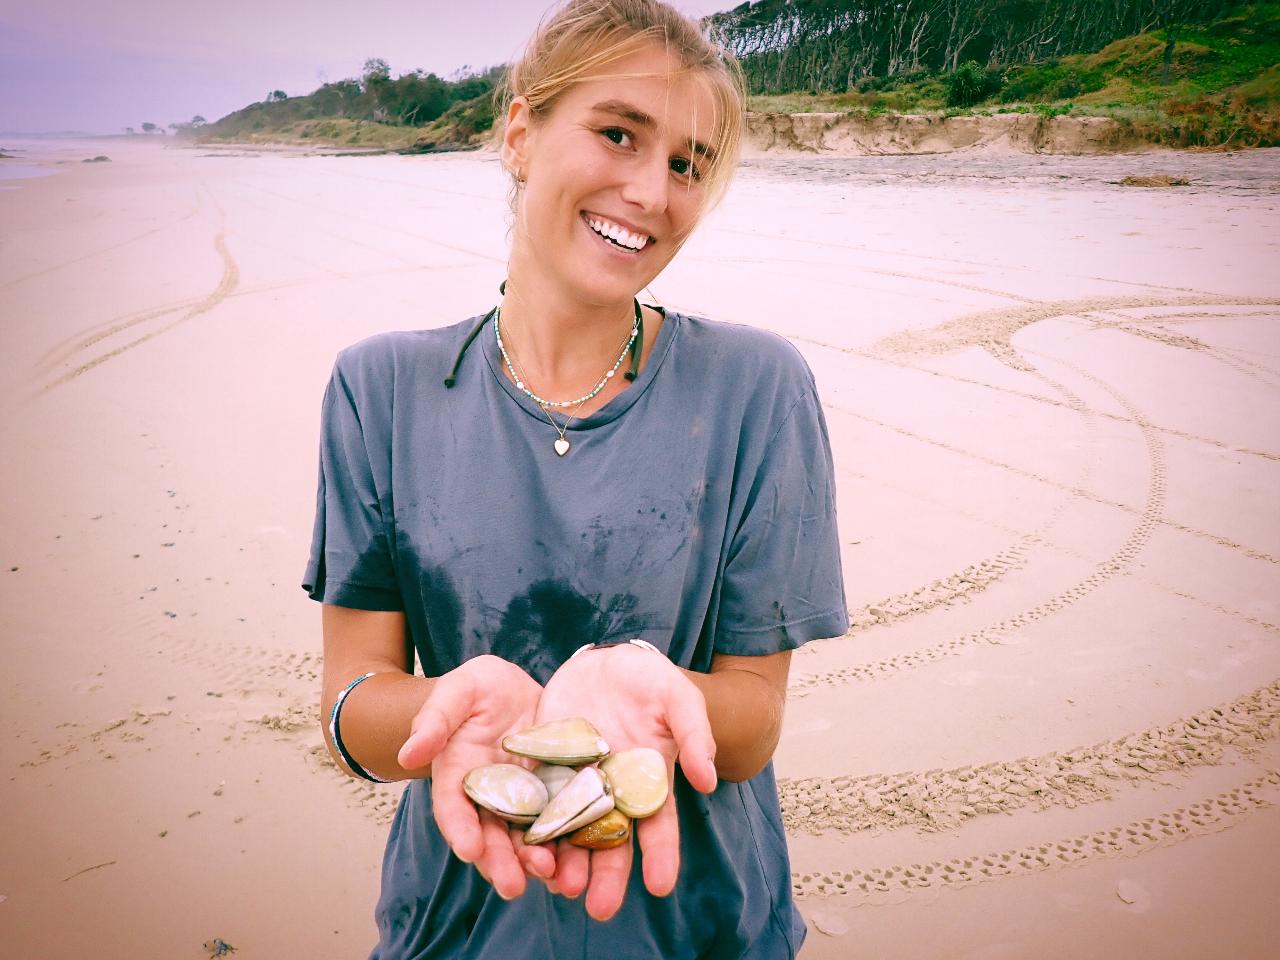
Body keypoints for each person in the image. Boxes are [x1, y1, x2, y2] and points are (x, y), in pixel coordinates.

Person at [303, 1, 848, 956]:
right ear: (521, 133)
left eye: (688, 165)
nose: (650, 190)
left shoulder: (756, 388)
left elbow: (754, 719)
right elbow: (352, 706)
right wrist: (450, 710)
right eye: (618, 134)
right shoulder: (379, 389)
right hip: (459, 924)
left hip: (704, 927)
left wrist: (655, 694)